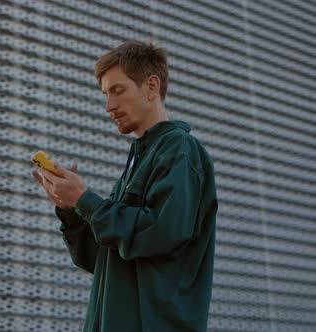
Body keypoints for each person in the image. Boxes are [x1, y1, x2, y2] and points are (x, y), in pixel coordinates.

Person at [31, 40, 218, 332]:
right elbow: (102, 258)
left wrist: (86, 201)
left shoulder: (180, 150)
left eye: (118, 91)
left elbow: (162, 232)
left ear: (151, 86)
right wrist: (70, 209)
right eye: (105, 95)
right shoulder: (139, 160)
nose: (108, 106)